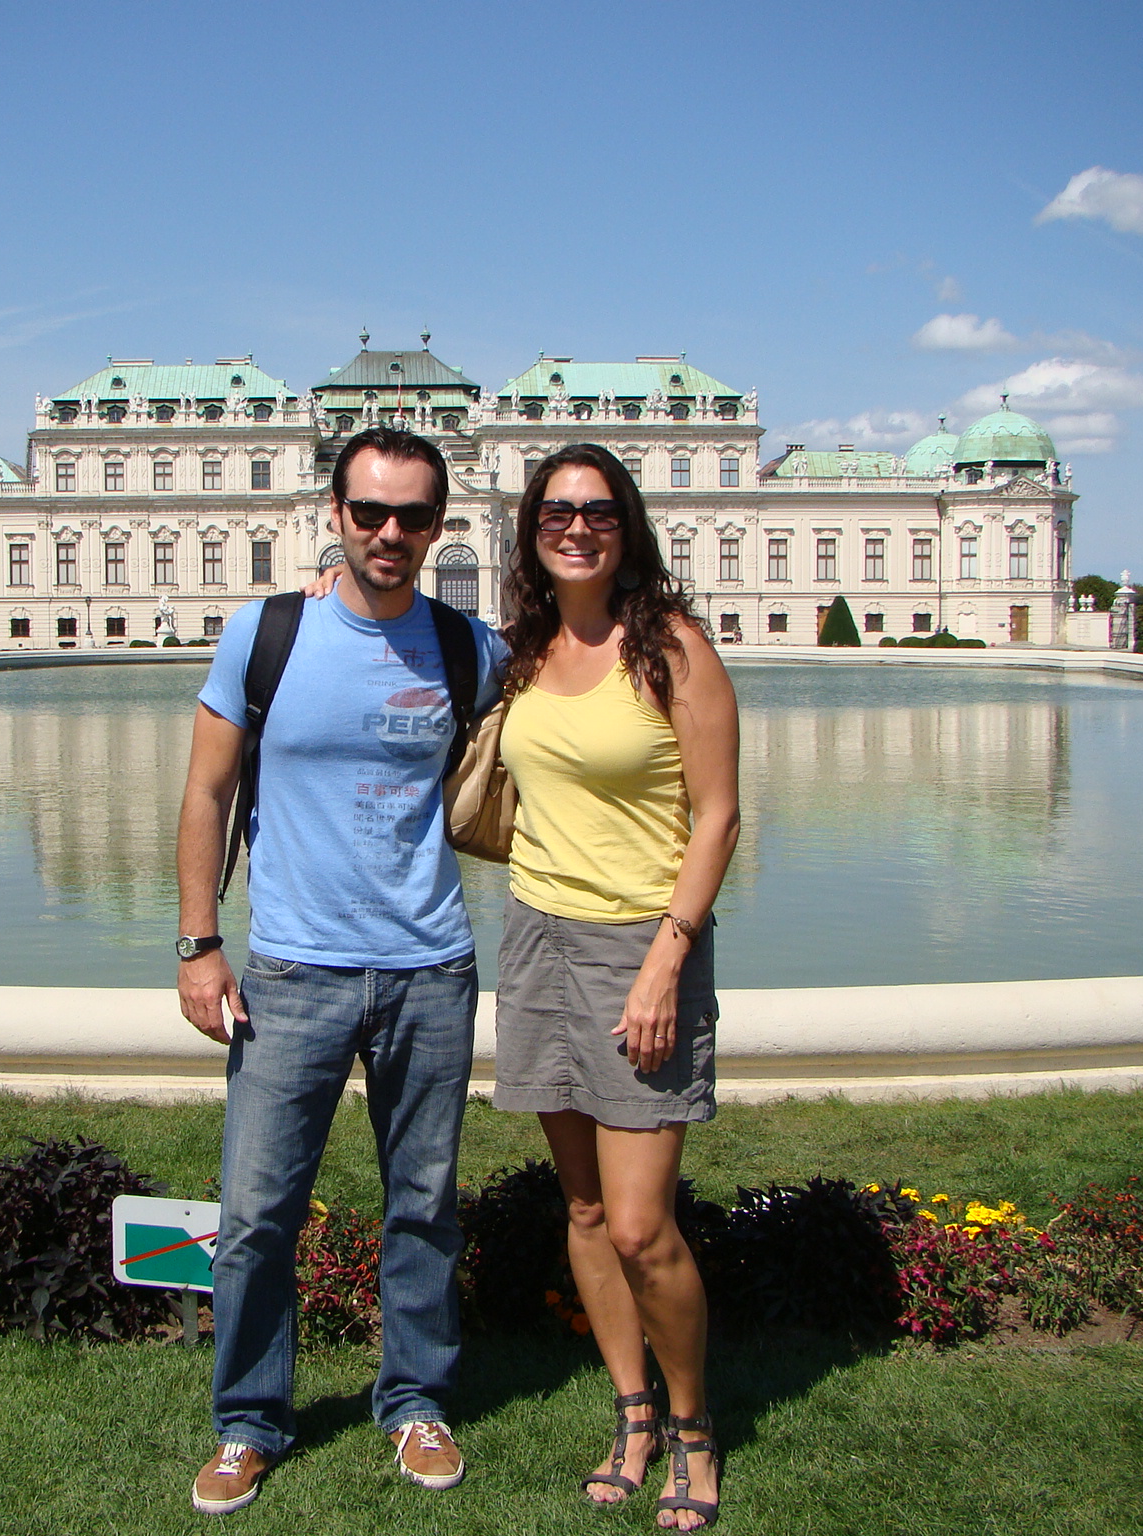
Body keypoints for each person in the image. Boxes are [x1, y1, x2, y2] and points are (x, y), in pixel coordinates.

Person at [176, 426, 507, 1516]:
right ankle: (247, 1421)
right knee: (256, 1213)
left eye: (411, 515)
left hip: (430, 968)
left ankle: (415, 1401)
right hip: (292, 970)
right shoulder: (265, 634)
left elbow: (583, 691)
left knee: (423, 1207)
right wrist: (198, 942)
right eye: (369, 512)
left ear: (439, 525)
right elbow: (205, 794)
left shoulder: (468, 646)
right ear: (335, 514)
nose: (389, 533)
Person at [494, 444, 740, 1531]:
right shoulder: (524, 647)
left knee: (642, 1226)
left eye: (597, 511)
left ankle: (693, 1427)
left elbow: (719, 814)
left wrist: (666, 959)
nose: (576, 527)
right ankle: (632, 1414)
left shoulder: (672, 647)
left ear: (626, 526)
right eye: (556, 511)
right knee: (586, 1210)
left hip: (642, 945)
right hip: (536, 939)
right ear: (531, 530)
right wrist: (326, 582)